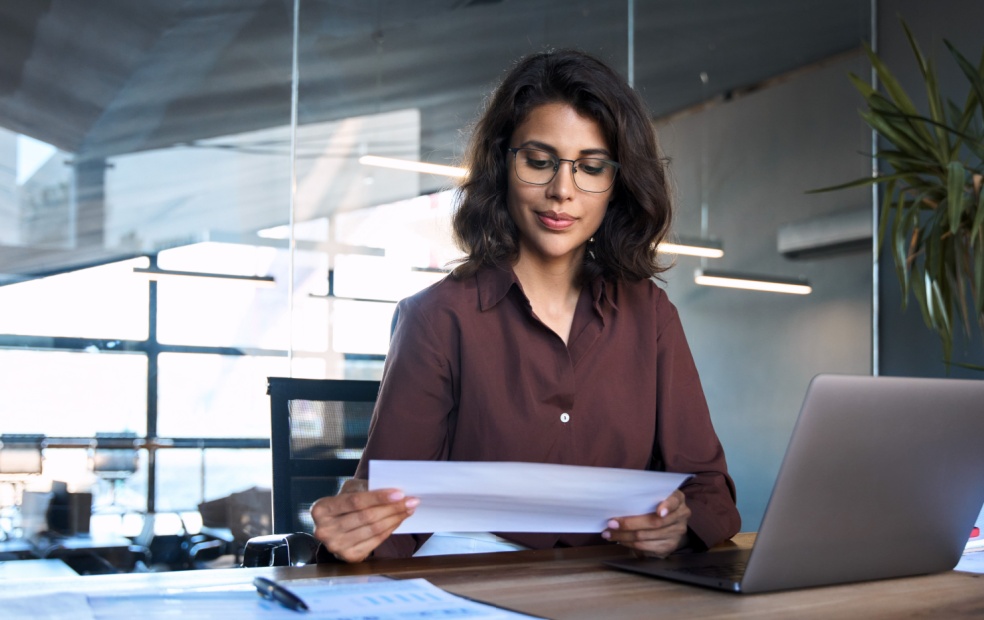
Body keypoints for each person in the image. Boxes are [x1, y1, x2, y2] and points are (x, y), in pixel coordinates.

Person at [310, 48, 740, 563]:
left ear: (616, 185)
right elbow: (387, 519)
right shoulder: (437, 318)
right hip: (476, 578)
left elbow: (710, 492)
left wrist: (678, 527)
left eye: (592, 167)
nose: (562, 191)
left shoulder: (651, 317)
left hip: (619, 587)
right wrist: (353, 532)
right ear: (501, 164)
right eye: (539, 162)